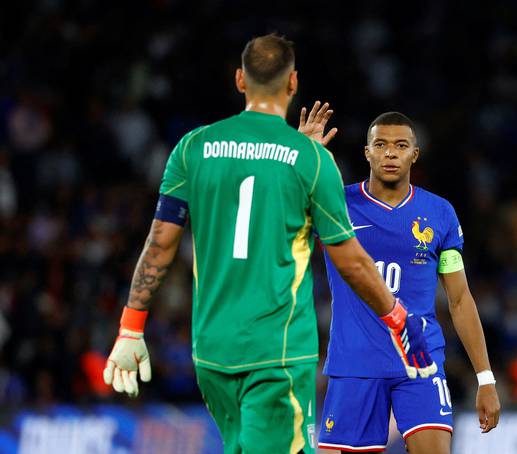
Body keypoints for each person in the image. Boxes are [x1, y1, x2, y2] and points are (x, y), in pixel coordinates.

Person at [101, 34, 436, 454]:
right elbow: (350, 261)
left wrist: (130, 329)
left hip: (211, 354)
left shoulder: (193, 147)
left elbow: (159, 244)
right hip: (275, 355)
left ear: (240, 79)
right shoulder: (310, 160)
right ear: (293, 83)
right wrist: (398, 318)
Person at [316, 112, 501, 453]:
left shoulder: (439, 212)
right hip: (355, 364)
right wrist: (303, 157)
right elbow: (277, 213)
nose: (390, 153)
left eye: (400, 146)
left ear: (415, 154)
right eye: (381, 145)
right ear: (366, 152)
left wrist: (485, 378)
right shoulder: (335, 203)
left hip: (420, 362)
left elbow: (460, 300)